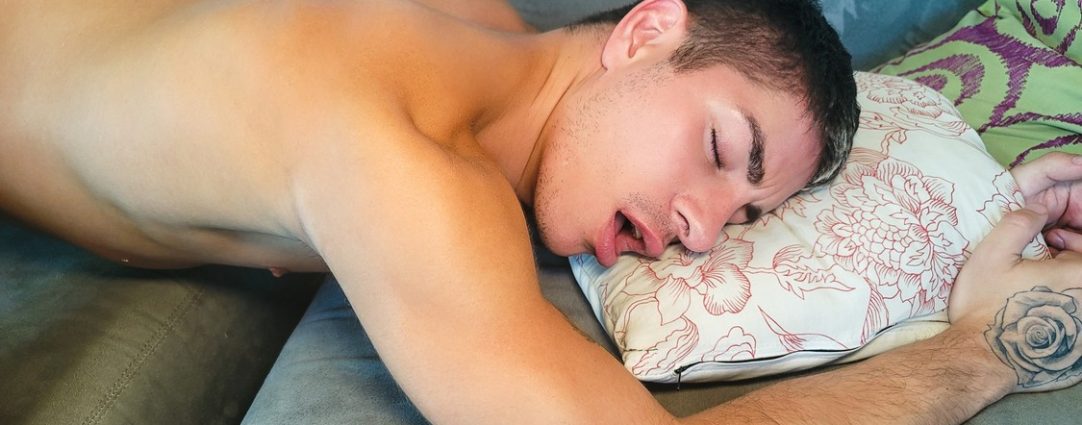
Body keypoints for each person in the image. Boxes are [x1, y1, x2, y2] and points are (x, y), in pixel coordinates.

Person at [2, 0, 1082, 423]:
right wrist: (988, 343)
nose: (703, 229)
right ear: (645, 30)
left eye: (745, 215)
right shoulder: (405, 165)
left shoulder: (479, 31)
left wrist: (989, 204)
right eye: (720, 151)